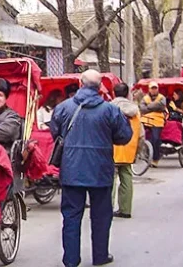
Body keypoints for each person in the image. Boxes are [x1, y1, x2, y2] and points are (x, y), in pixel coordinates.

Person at [50, 70, 132, 267]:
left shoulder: (63, 108)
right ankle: (100, 256)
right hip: (100, 169)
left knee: (71, 216)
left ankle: (71, 260)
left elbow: (55, 133)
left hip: (72, 169)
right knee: (101, 216)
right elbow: (124, 136)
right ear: (100, 86)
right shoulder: (110, 110)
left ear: (80, 83)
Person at [111, 83, 142, 219]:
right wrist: (137, 150)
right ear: (127, 93)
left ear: (114, 93)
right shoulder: (135, 111)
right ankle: (125, 209)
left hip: (112, 150)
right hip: (129, 149)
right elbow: (141, 134)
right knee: (127, 178)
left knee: (110, 180)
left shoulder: (109, 108)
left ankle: (107, 208)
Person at [140, 82, 167, 167]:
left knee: (156, 139)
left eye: (155, 88)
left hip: (157, 121)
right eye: (152, 88)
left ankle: (155, 159)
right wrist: (155, 107)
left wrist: (149, 107)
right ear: (149, 89)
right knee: (139, 135)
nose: (154, 90)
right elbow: (142, 109)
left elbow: (162, 106)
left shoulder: (162, 98)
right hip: (145, 120)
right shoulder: (145, 98)